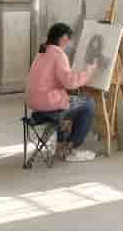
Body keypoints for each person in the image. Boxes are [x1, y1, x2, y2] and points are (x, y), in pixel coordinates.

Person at [26, 23, 98, 162]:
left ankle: (60, 144)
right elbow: (69, 82)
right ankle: (70, 148)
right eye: (69, 39)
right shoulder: (58, 54)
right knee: (88, 103)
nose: (69, 43)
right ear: (64, 38)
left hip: (34, 103)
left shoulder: (42, 51)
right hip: (48, 104)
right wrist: (89, 70)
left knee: (70, 101)